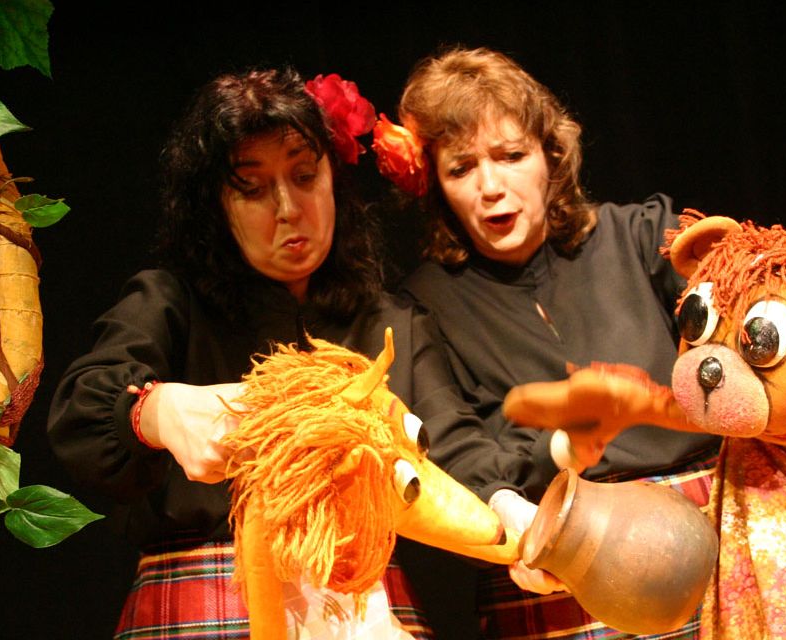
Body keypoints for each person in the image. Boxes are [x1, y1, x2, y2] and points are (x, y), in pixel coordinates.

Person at [47, 66, 471, 639]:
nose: (288, 208)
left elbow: (457, 448)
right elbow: (83, 406)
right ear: (216, 206)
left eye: (304, 176)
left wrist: (512, 502)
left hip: (367, 604)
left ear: (333, 179)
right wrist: (156, 411)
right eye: (252, 188)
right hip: (208, 604)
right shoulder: (171, 303)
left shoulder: (390, 321)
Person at [373, 47, 723, 638]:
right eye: (461, 169)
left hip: (714, 531)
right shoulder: (420, 307)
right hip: (560, 561)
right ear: (435, 186)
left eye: (512, 156)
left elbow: (741, 321)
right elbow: (456, 455)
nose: (491, 186)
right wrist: (559, 453)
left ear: (550, 158)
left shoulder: (641, 235)